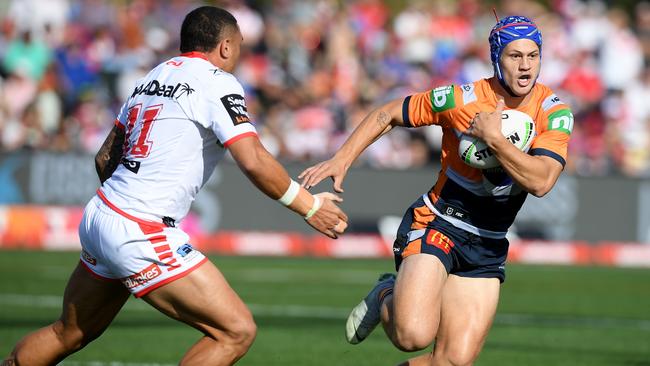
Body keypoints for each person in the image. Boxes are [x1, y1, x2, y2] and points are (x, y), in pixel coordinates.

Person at [2, 6, 348, 366]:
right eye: (240, 45)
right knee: (236, 330)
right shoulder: (217, 81)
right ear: (226, 46)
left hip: (103, 212)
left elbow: (105, 157)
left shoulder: (152, 75)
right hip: (140, 227)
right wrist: (309, 206)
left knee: (67, 332)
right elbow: (254, 160)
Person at [300, 15, 573, 366]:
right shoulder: (461, 99)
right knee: (412, 336)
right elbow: (388, 114)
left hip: (488, 242)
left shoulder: (554, 111)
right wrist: (343, 158)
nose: (525, 66)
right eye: (514, 56)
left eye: (533, 56)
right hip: (439, 222)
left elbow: (542, 182)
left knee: (452, 363)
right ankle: (386, 292)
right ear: (496, 58)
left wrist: (494, 140)